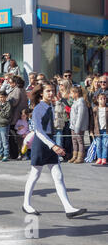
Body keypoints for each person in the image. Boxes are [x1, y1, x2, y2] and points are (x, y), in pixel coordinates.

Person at [22, 82, 86, 219]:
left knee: (58, 176)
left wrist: (53, 144)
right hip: (41, 143)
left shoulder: (50, 105)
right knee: (34, 175)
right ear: (41, 93)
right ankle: (26, 204)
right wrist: (53, 146)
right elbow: (38, 131)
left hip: (49, 140)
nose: (51, 93)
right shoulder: (39, 108)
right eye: (48, 91)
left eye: (52, 91)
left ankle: (68, 208)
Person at [68, 86, 89, 164]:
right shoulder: (75, 101)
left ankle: (80, 157)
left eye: (71, 93)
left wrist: (77, 127)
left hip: (78, 126)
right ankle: (75, 155)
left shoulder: (81, 102)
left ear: (76, 93)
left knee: (80, 140)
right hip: (73, 125)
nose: (70, 94)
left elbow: (80, 116)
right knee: (74, 140)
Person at [89, 93, 107, 165]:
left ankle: (104, 158)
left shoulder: (107, 109)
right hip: (97, 130)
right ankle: (99, 158)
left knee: (105, 145)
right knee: (98, 145)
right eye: (101, 99)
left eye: (104, 98)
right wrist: (91, 131)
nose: (103, 100)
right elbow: (92, 122)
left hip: (106, 130)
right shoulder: (95, 109)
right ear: (98, 100)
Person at [0, 90, 11, 162]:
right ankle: (0, 153)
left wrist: (0, 109)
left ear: (5, 97)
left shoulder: (8, 105)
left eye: (2, 97)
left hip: (4, 124)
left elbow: (7, 115)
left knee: (5, 140)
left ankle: (6, 154)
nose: (0, 99)